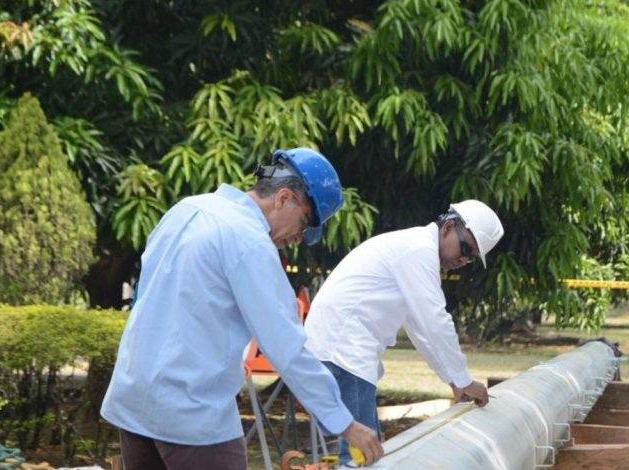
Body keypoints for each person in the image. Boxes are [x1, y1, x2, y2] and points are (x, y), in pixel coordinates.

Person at [100, 148, 384, 469]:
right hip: (190, 413)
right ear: (284, 198)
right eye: (305, 224)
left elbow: (149, 297)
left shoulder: (186, 209)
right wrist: (345, 423)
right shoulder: (249, 242)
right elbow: (286, 347)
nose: (300, 239)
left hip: (134, 399)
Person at [304, 200, 504, 464]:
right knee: (361, 457)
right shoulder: (418, 251)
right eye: (465, 248)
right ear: (449, 227)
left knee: (366, 452)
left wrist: (454, 380)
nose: (464, 260)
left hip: (342, 353)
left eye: (471, 258)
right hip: (343, 354)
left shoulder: (415, 251)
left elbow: (420, 329)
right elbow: (435, 322)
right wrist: (464, 380)